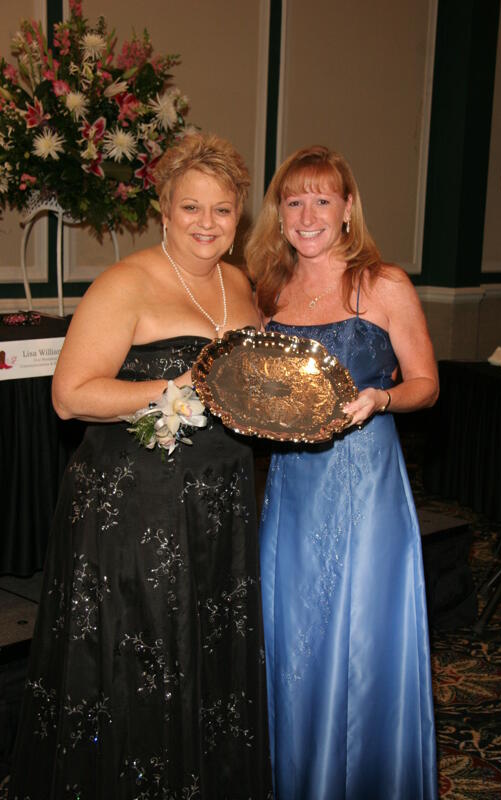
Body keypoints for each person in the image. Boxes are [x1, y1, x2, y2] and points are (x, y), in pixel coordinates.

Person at [9, 132, 272, 799]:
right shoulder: (125, 282)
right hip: (138, 511)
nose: (206, 224)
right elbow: (69, 397)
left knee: (205, 644)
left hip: (220, 500)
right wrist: (174, 387)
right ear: (164, 209)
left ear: (238, 214)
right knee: (146, 651)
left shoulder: (238, 281)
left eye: (220, 210)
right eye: (191, 208)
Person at [245, 144, 439, 800]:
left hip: (362, 482)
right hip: (291, 486)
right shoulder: (267, 289)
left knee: (357, 632)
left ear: (347, 207)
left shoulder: (381, 284)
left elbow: (426, 386)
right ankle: (299, 777)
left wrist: (382, 398)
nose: (306, 214)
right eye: (293, 200)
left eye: (321, 199)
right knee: (293, 630)